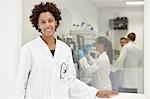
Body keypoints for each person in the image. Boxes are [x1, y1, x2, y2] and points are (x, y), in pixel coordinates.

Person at [15, 2, 118, 99]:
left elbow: (70, 81)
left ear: (56, 22)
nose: (47, 25)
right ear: (38, 25)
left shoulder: (65, 49)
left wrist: (95, 92)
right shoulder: (29, 49)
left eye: (50, 21)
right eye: (43, 22)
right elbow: (21, 84)